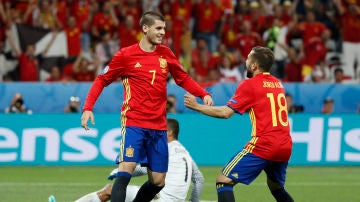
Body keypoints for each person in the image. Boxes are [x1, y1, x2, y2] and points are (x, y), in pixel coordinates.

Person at [80, 11, 213, 202]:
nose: (162, 33)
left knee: (158, 182)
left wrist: (203, 93)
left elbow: (182, 77)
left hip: (158, 126)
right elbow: (102, 79)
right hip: (134, 122)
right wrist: (87, 107)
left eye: (164, 29)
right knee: (126, 169)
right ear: (145, 28)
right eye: (158, 28)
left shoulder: (166, 54)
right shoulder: (126, 55)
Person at [184, 46, 294, 202]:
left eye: (248, 58)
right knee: (276, 187)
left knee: (223, 181)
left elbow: (225, 113)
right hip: (285, 145)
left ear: (254, 66)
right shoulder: (277, 84)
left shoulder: (250, 84)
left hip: (264, 144)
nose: (246, 61)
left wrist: (196, 106)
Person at [74, 118, 204, 202]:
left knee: (110, 190)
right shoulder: (185, 152)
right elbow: (199, 179)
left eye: (161, 128)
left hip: (160, 199)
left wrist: (119, 172)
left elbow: (143, 169)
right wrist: (193, 201)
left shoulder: (164, 149)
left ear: (169, 132)